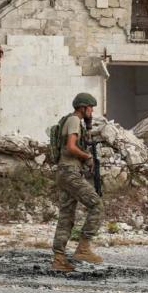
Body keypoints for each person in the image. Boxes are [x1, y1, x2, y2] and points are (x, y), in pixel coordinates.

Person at [51, 92, 104, 272]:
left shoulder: (74, 121)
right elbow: (71, 147)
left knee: (66, 217)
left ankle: (59, 259)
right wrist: (87, 156)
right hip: (70, 172)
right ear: (83, 108)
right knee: (96, 205)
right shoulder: (74, 120)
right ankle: (83, 248)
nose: (92, 111)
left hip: (65, 172)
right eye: (90, 108)